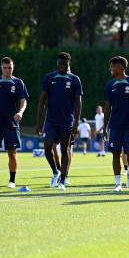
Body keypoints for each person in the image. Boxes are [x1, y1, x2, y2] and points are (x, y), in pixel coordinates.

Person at [35, 52, 83, 191]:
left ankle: (62, 180)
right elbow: (42, 101)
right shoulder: (49, 78)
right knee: (47, 147)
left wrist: (76, 122)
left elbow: (78, 103)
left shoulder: (75, 79)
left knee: (64, 149)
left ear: (69, 64)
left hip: (67, 120)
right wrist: (38, 122)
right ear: (57, 64)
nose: (62, 66)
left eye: (65, 64)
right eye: (60, 64)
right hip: (50, 120)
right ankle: (55, 172)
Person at [0, 57, 29, 189]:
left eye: (10, 67)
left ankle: (12, 181)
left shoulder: (18, 83)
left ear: (13, 67)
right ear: (1, 68)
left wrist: (20, 112)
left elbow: (23, 101)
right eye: (5, 68)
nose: (7, 70)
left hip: (11, 124)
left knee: (12, 152)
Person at [103, 56, 129, 192]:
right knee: (115, 154)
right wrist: (105, 127)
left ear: (121, 67)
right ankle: (118, 183)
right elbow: (107, 108)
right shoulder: (110, 85)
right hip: (115, 126)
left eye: (112, 66)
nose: (110, 69)